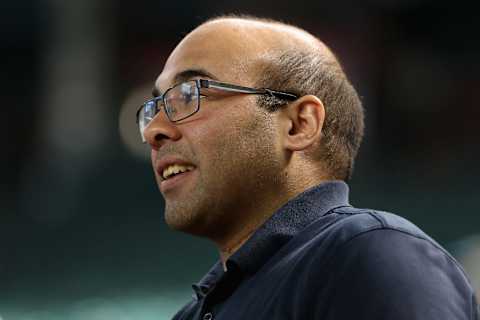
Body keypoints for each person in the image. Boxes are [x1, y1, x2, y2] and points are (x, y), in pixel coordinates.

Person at [136, 15, 479, 320]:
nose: (154, 130)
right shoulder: (193, 313)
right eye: (155, 106)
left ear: (299, 124)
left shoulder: (370, 256)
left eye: (190, 93)